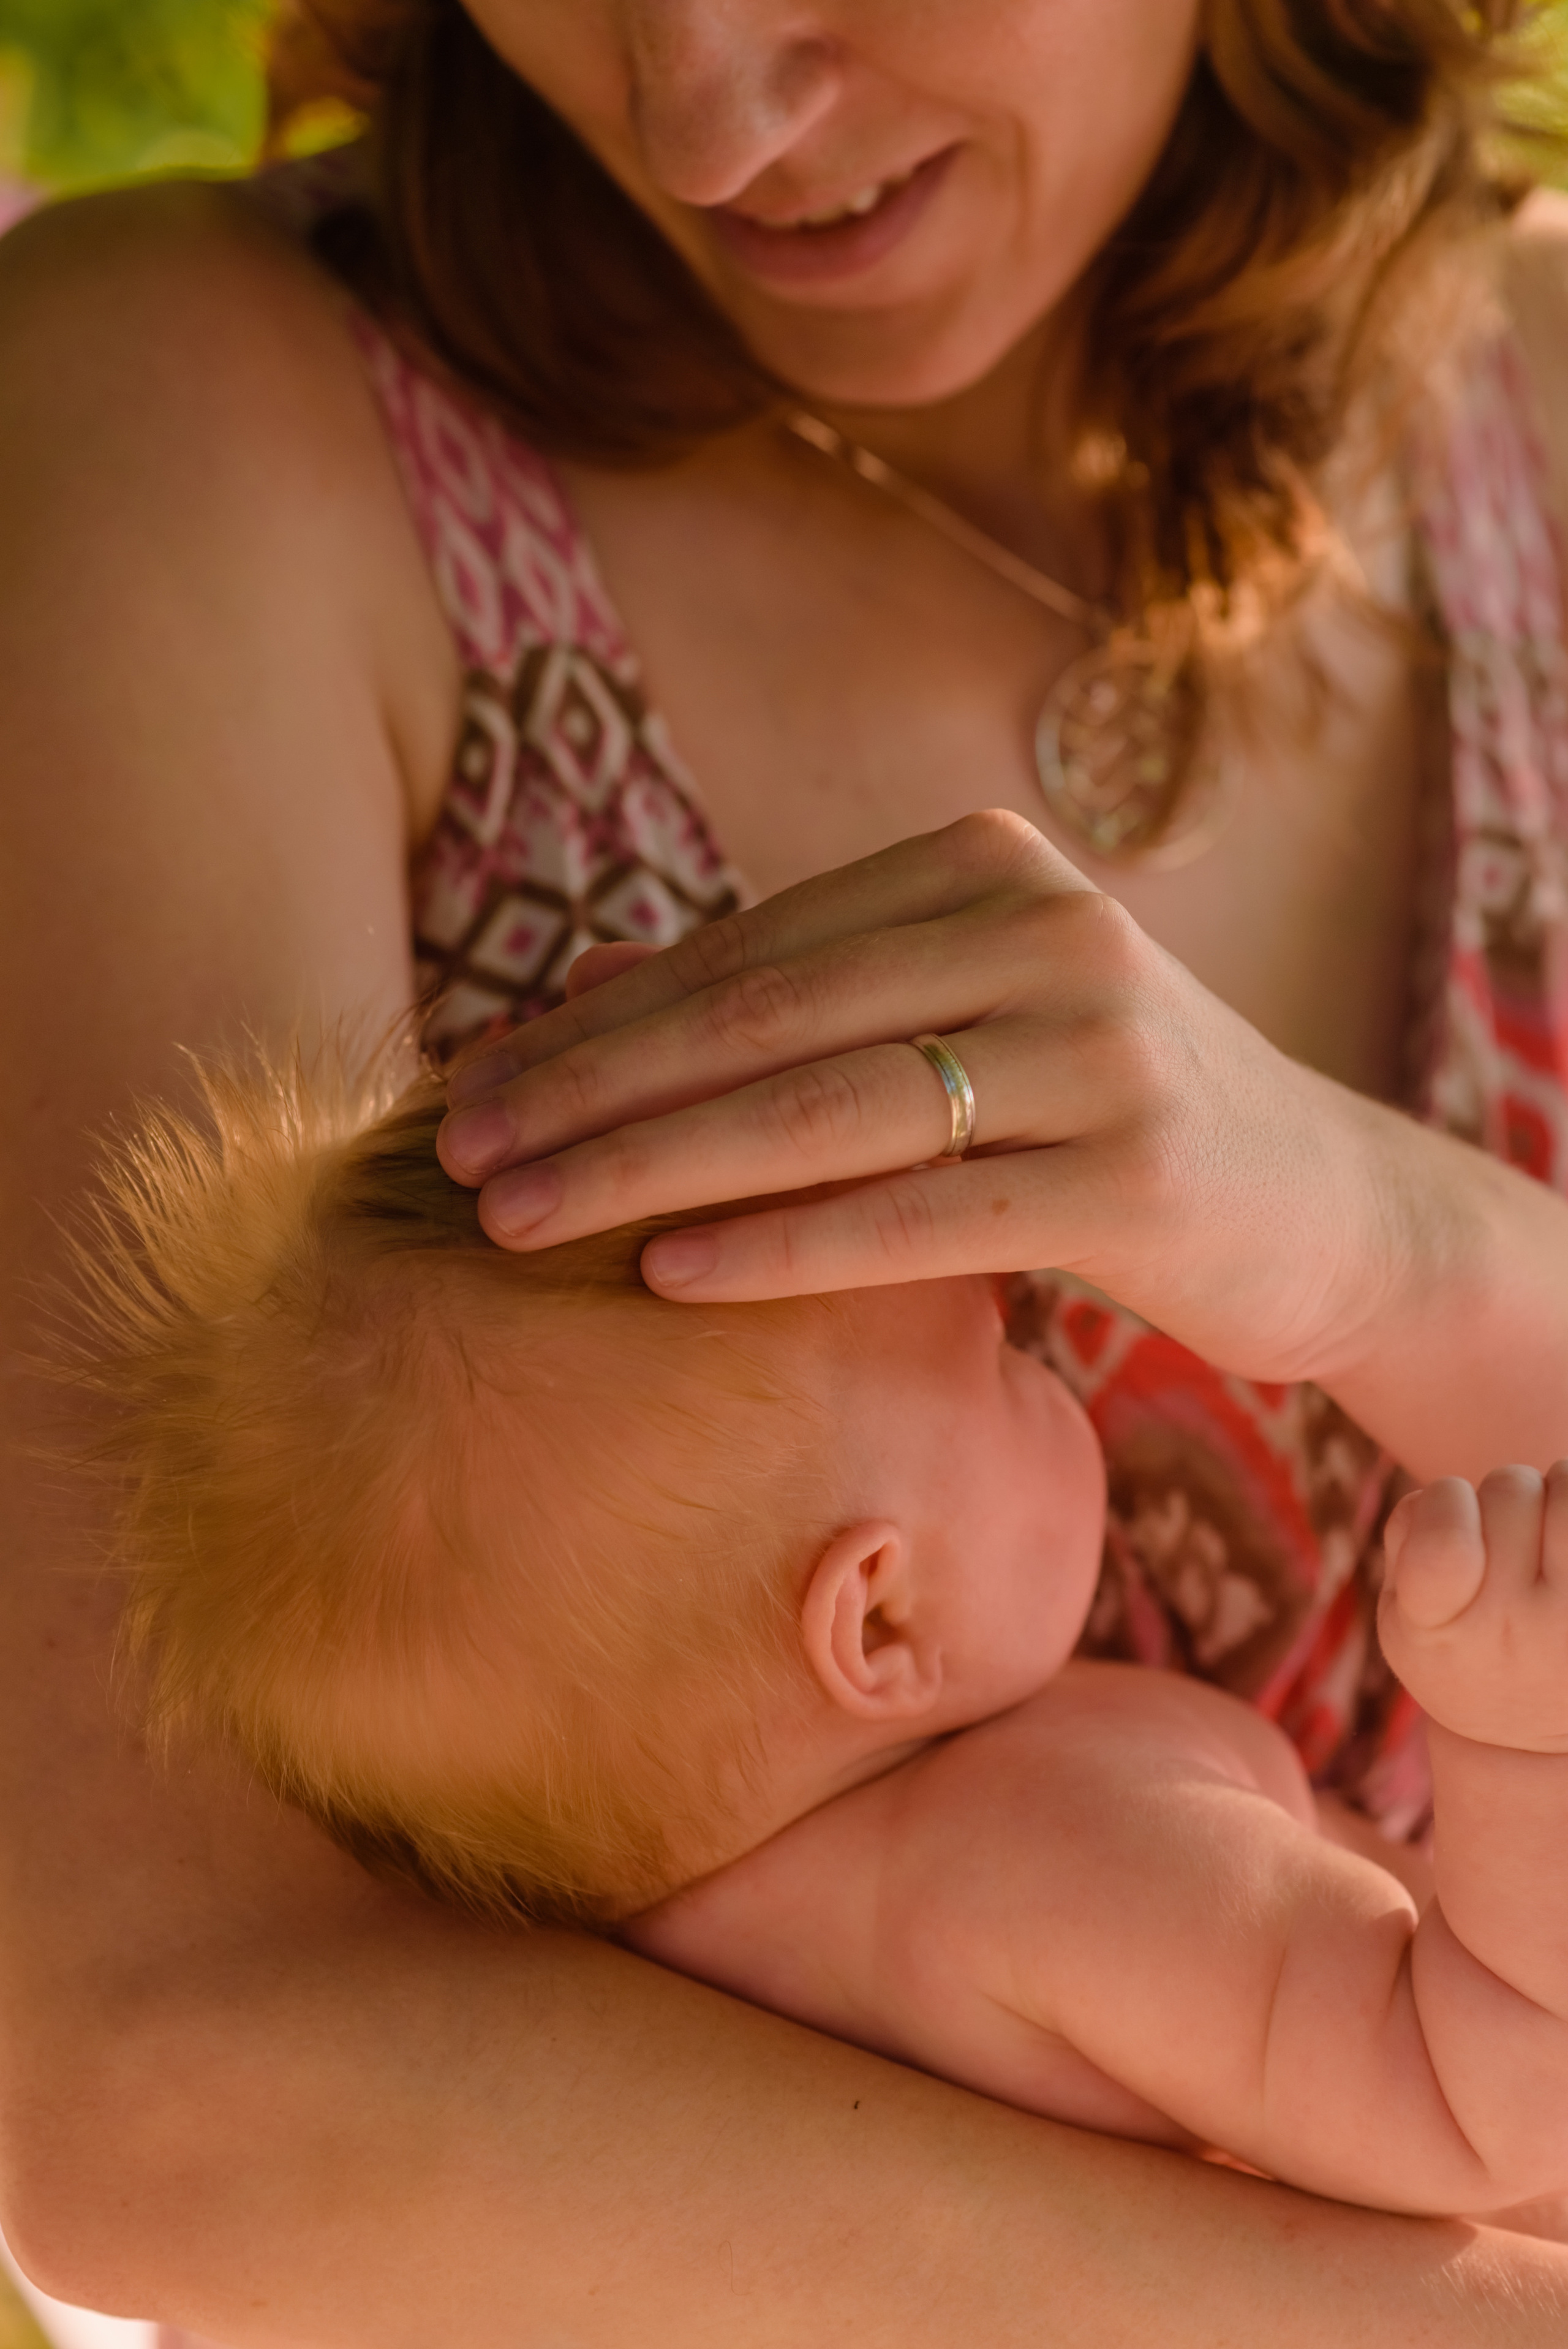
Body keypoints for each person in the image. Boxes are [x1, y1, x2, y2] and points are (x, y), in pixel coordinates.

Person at [6, 0, 1568, 2336]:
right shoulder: (192, 408)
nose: (707, 108)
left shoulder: (1539, 398)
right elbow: (154, 2079)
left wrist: (1396, 1240)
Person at [73, 1045, 1568, 2218]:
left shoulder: (697, 1936)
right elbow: (1474, 2107)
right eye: (1002, 1354)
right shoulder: (1066, 1855)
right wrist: (1512, 1733)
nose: (1043, 1322)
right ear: (880, 1615)